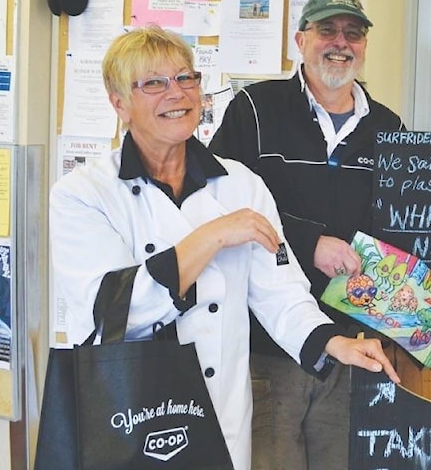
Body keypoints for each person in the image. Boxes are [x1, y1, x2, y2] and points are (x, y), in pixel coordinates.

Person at [49, 26, 399, 470]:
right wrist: (211, 236)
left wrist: (331, 341)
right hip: (131, 415)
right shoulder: (84, 194)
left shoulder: (242, 185)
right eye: (153, 83)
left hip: (221, 413)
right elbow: (110, 313)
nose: (175, 94)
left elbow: (281, 291)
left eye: (185, 78)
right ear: (119, 102)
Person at [210, 0, 404, 470]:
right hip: (268, 345)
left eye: (353, 34)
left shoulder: (390, 126)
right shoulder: (255, 109)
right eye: (326, 31)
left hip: (352, 343)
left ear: (364, 46)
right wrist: (307, 241)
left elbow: (399, 226)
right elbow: (218, 200)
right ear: (300, 40)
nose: (340, 43)